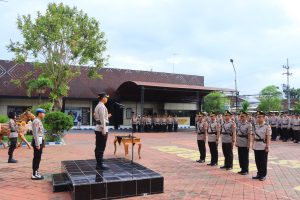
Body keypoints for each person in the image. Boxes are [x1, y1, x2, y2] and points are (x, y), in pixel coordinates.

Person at [252, 111, 272, 181]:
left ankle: (263, 175)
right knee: (257, 160)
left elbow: (268, 137)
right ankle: (259, 173)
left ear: (263, 118)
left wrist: (267, 146)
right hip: (256, 145)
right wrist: (252, 144)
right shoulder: (256, 126)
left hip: (263, 145)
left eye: (259, 117)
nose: (258, 118)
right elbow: (254, 136)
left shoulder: (267, 126)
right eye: (257, 117)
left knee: (263, 161)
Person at [94, 92, 110, 170]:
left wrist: (107, 117)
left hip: (99, 128)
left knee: (99, 146)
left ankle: (99, 163)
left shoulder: (99, 106)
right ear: (103, 98)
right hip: (101, 129)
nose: (107, 99)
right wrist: (104, 130)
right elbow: (102, 119)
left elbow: (99, 118)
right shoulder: (101, 106)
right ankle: (99, 164)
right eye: (106, 97)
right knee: (101, 147)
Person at [31, 108, 46, 180]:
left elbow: (41, 133)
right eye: (43, 113)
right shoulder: (36, 121)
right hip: (37, 142)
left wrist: (43, 143)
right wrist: (37, 144)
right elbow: (35, 133)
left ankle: (36, 172)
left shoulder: (39, 121)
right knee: (37, 158)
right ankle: (34, 174)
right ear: (39, 113)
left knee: (38, 157)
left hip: (40, 142)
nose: (44, 115)